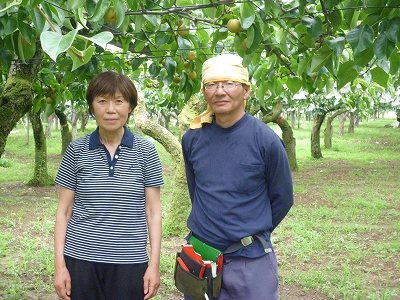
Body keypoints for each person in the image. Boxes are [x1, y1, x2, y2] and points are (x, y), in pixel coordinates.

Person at [181, 54, 294, 299]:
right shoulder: (192, 138)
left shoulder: (266, 140)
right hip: (202, 255)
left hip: (249, 260)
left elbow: (282, 198)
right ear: (204, 92)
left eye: (229, 83)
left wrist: (248, 229)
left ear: (245, 91)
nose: (220, 91)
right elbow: (197, 190)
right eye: (211, 85)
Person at [53, 71, 163, 300]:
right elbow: (64, 211)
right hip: (81, 258)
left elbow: (153, 212)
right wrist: (59, 266)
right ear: (92, 107)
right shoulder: (76, 151)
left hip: (130, 261)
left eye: (119, 101)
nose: (110, 109)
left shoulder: (146, 152)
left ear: (130, 107)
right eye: (102, 101)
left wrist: (154, 265)